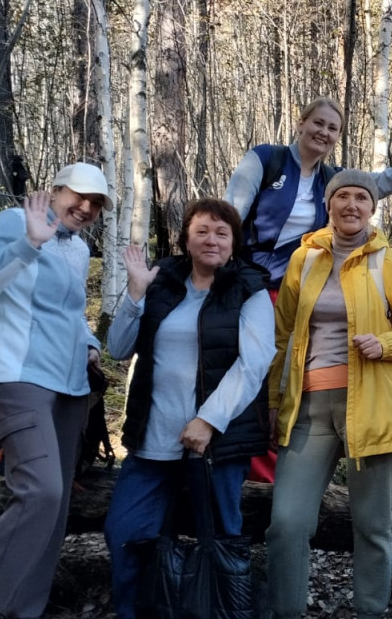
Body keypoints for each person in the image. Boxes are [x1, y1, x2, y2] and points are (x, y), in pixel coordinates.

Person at [264, 169, 392, 619]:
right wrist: (274, 402)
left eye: (361, 197)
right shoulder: (304, 259)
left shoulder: (387, 261)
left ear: (372, 208)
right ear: (328, 204)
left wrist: (387, 343)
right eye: (343, 196)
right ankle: (285, 612)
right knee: (286, 523)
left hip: (374, 405)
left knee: (373, 525)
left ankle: (370, 612)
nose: (351, 205)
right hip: (309, 408)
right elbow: (282, 335)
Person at [0, 162, 112, 619]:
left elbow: (70, 312)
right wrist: (29, 243)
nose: (85, 208)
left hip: (70, 388)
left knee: (55, 506)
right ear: (55, 190)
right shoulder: (14, 222)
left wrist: (90, 344)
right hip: (17, 378)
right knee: (40, 492)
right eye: (78, 196)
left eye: (96, 203)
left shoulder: (78, 248)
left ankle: (25, 610)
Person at [101, 198, 275, 619]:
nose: (211, 240)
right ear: (185, 239)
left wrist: (208, 420)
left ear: (234, 243)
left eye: (221, 233)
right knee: (125, 533)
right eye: (202, 231)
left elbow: (253, 364)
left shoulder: (249, 288)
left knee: (220, 543)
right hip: (152, 439)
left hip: (216, 445)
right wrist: (136, 293)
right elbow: (118, 348)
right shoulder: (161, 281)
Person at [224, 86, 392, 291]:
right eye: (318, 123)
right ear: (301, 123)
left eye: (332, 128)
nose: (324, 132)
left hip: (295, 288)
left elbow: (389, 180)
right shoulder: (266, 159)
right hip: (245, 282)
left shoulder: (331, 180)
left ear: (336, 137)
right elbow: (229, 217)